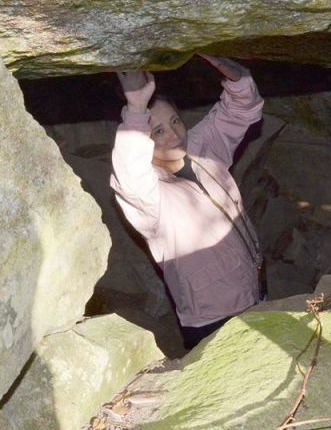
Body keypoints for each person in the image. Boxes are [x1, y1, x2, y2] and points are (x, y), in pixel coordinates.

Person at [110, 55, 266, 349]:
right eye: (157, 131)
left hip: (256, 293)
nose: (173, 136)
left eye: (175, 121)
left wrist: (230, 68)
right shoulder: (151, 197)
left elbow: (242, 108)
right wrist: (135, 108)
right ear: (144, 139)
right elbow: (129, 176)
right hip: (214, 321)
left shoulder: (202, 147)